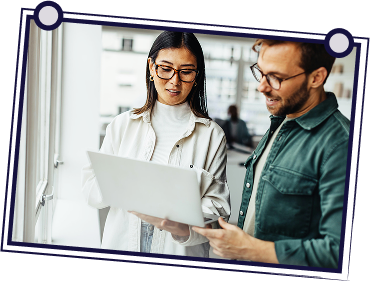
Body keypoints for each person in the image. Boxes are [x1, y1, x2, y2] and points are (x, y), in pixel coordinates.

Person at [193, 39, 349, 268]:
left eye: (276, 77)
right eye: (260, 72)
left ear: (316, 78)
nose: (261, 87)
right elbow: (260, 219)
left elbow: (339, 252)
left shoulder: (341, 144)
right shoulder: (280, 123)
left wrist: (249, 249)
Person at [81, 31, 230, 257]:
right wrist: (123, 181)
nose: (174, 81)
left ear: (197, 75)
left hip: (180, 252)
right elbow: (91, 193)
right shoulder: (121, 126)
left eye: (186, 72)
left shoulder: (212, 136)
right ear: (151, 67)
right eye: (166, 68)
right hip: (121, 247)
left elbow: (219, 211)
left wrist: (180, 225)